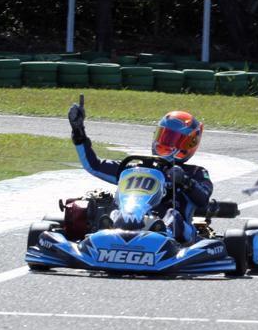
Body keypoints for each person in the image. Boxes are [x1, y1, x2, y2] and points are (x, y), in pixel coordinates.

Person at [68, 99, 213, 242]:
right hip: (133, 221)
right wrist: (78, 132)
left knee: (172, 215)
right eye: (164, 136)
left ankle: (162, 233)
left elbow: (203, 200)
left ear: (188, 143)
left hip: (178, 235)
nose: (166, 143)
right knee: (114, 212)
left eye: (173, 139)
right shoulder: (135, 168)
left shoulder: (195, 173)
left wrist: (185, 181)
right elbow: (94, 165)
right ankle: (107, 231)